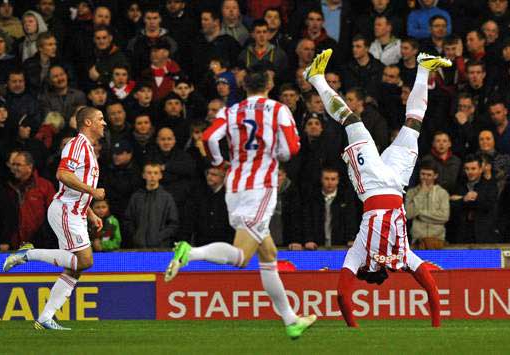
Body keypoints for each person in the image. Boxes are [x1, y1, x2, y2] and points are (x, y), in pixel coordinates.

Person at [164, 65, 316, 339]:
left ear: (244, 87)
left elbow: (210, 137)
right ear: (268, 85)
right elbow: (291, 149)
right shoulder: (278, 109)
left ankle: (291, 320)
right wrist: (278, 153)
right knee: (242, 256)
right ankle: (190, 252)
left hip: (234, 185)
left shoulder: (231, 111)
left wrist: (220, 162)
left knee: (268, 255)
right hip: (261, 187)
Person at [304, 49, 450, 328]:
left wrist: (436, 323)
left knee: (353, 122)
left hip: (372, 185)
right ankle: (423, 67)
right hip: (396, 183)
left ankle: (317, 79)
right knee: (414, 126)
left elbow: (341, 295)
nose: (383, 264)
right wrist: (435, 325)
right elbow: (343, 296)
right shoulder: (399, 255)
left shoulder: (364, 253)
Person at [3, 106, 106, 331]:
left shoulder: (88, 149)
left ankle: (45, 318)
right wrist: (92, 191)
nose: (104, 123)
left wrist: (90, 212)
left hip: (76, 212)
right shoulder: (76, 144)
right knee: (85, 261)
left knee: (75, 268)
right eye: (100, 119)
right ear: (87, 123)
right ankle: (27, 254)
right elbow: (62, 174)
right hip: (66, 212)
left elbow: (71, 184)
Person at [123, 161, 179, 248]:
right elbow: (128, 220)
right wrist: (136, 236)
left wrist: (159, 237)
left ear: (160, 176)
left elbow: (173, 224)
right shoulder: (136, 197)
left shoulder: (167, 198)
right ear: (143, 175)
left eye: (156, 173)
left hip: (161, 248)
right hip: (139, 248)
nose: (152, 176)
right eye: (149, 173)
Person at [405, 159, 450, 249]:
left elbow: (444, 217)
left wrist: (420, 214)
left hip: (437, 240)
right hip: (417, 241)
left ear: (435, 176)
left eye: (429, 175)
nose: (425, 177)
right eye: (423, 174)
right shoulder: (411, 192)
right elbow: (408, 214)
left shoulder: (442, 193)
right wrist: (421, 193)